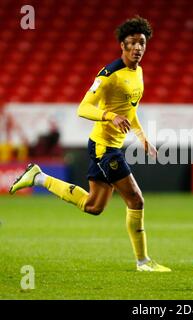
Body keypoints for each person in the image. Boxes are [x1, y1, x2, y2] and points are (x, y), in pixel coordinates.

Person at [9, 16, 171, 272]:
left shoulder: (138, 72)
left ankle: (38, 178)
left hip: (106, 146)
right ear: (122, 45)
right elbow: (83, 108)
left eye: (142, 42)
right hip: (105, 149)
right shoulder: (109, 75)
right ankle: (143, 262)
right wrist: (109, 116)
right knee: (136, 200)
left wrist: (142, 137)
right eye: (132, 43)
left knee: (94, 206)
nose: (138, 48)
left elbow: (130, 111)